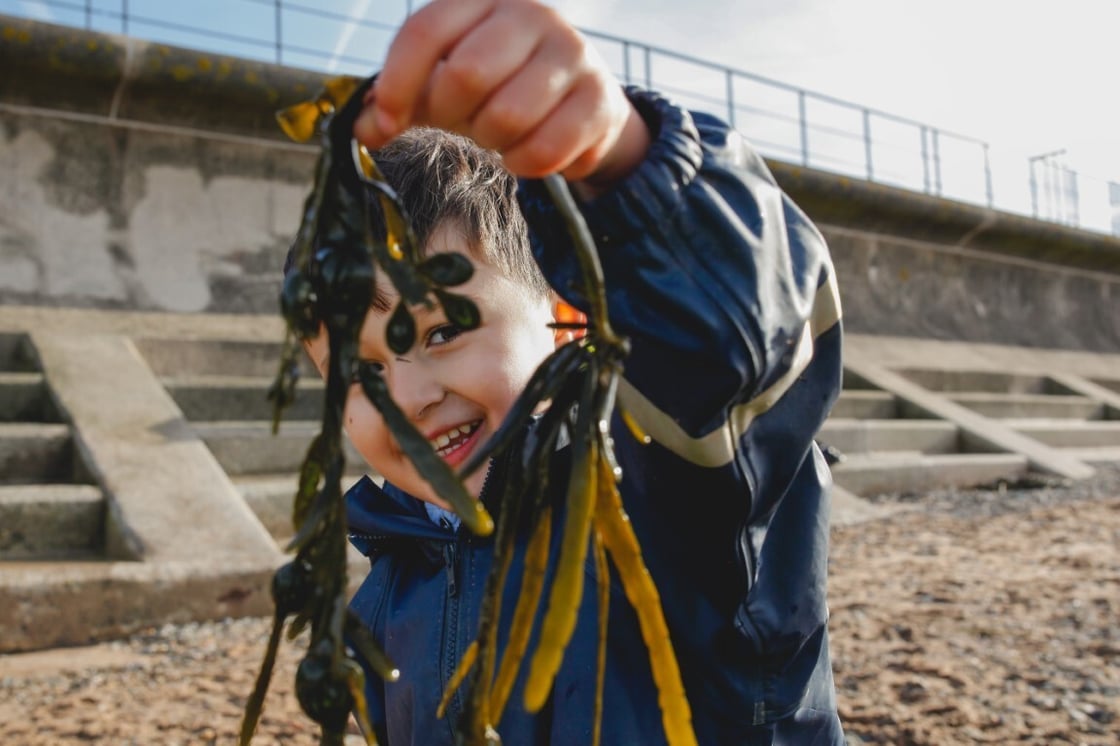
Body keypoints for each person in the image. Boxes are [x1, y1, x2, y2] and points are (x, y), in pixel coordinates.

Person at [294, 0, 846, 742]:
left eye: (443, 330)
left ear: (566, 319)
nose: (411, 399)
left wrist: (627, 172)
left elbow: (736, 350)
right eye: (359, 374)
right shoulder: (380, 607)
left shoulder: (678, 505)